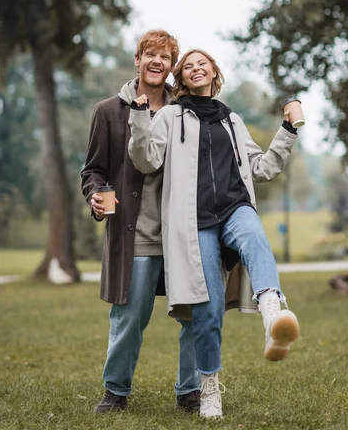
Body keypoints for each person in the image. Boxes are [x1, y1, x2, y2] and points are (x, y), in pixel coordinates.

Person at [128, 49, 301, 419]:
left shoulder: (232, 120)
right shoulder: (171, 117)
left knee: (254, 234)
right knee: (207, 310)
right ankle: (208, 391)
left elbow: (262, 167)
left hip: (234, 207)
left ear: (213, 72)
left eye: (201, 62)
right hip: (195, 221)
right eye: (187, 66)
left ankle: (273, 313)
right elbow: (146, 160)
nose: (195, 68)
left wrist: (287, 130)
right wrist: (140, 118)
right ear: (183, 79)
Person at [81, 31, 200, 414]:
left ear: (171, 66)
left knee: (195, 315)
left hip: (181, 234)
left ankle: (190, 391)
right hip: (136, 234)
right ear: (138, 59)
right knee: (130, 317)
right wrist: (97, 198)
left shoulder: (186, 109)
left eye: (165, 57)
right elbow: (94, 171)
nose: (156, 62)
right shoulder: (109, 111)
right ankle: (115, 391)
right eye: (150, 54)